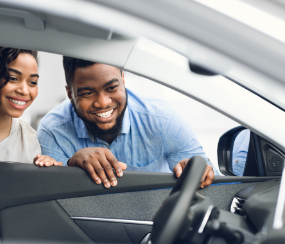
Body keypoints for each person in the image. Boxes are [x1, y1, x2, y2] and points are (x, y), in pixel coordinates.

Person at [37, 57, 218, 188]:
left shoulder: (163, 120)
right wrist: (71, 164)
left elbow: (215, 185)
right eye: (87, 93)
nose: (103, 102)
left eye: (112, 88)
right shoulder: (53, 131)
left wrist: (199, 171)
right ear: (70, 94)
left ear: (123, 81)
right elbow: (52, 200)